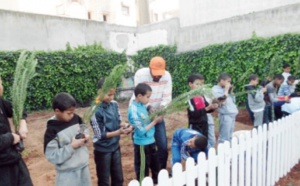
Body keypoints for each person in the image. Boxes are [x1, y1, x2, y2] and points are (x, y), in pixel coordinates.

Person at [130, 56, 172, 169]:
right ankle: (143, 174)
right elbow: (138, 95)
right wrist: (148, 107)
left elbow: (167, 98)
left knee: (162, 146)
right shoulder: (140, 74)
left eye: (160, 74)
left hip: (157, 115)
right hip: (141, 113)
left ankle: (160, 173)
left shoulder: (167, 76)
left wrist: (161, 109)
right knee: (143, 146)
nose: (158, 76)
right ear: (149, 68)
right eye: (155, 73)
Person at [91, 78, 133, 186]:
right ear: (100, 92)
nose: (111, 98)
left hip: (115, 146)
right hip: (103, 150)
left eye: (113, 95)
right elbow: (100, 135)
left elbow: (119, 121)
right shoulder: (94, 110)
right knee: (104, 181)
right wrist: (119, 132)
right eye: (108, 95)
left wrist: (127, 126)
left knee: (118, 179)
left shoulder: (114, 104)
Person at [44, 92, 91, 186]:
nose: (72, 115)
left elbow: (84, 128)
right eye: (69, 113)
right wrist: (72, 146)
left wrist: (86, 136)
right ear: (57, 111)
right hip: (66, 175)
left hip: (83, 167)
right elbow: (52, 155)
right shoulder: (52, 130)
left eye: (73, 112)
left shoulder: (76, 118)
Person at [0, 76, 33, 186]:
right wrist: (12, 138)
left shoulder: (1, 103)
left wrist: (22, 121)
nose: (1, 87)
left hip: (13, 159)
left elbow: (17, 108)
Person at [128, 83, 163, 184]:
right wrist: (155, 122)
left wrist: (154, 116)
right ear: (139, 96)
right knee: (143, 171)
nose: (149, 100)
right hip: (142, 145)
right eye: (148, 97)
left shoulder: (143, 106)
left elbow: (146, 121)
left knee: (156, 167)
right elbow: (140, 131)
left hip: (151, 141)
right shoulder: (133, 110)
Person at [187, 74, 218, 149]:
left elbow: (207, 109)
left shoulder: (201, 96)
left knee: (204, 143)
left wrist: (212, 107)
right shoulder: (189, 97)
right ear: (190, 84)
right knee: (195, 144)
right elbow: (193, 114)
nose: (199, 86)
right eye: (197, 84)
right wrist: (206, 109)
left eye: (201, 84)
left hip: (204, 123)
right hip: (195, 125)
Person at [212, 73, 238, 144]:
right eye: (228, 81)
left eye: (230, 82)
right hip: (225, 115)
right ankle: (222, 153)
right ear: (221, 81)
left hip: (232, 114)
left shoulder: (225, 89)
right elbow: (221, 102)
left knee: (230, 136)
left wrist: (231, 92)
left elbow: (233, 101)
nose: (229, 83)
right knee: (224, 138)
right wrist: (226, 91)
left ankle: (228, 152)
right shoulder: (215, 90)